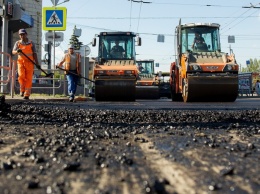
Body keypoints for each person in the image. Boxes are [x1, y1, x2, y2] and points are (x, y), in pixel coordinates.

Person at [12, 28, 39, 100]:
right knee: (21, 76)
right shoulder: (18, 43)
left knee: (29, 78)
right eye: (20, 35)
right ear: (19, 36)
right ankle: (22, 90)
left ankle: (26, 94)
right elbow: (13, 52)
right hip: (20, 62)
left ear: (26, 34)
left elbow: (35, 54)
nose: (22, 36)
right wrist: (17, 51)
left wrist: (37, 63)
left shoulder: (31, 43)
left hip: (30, 63)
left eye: (23, 34)